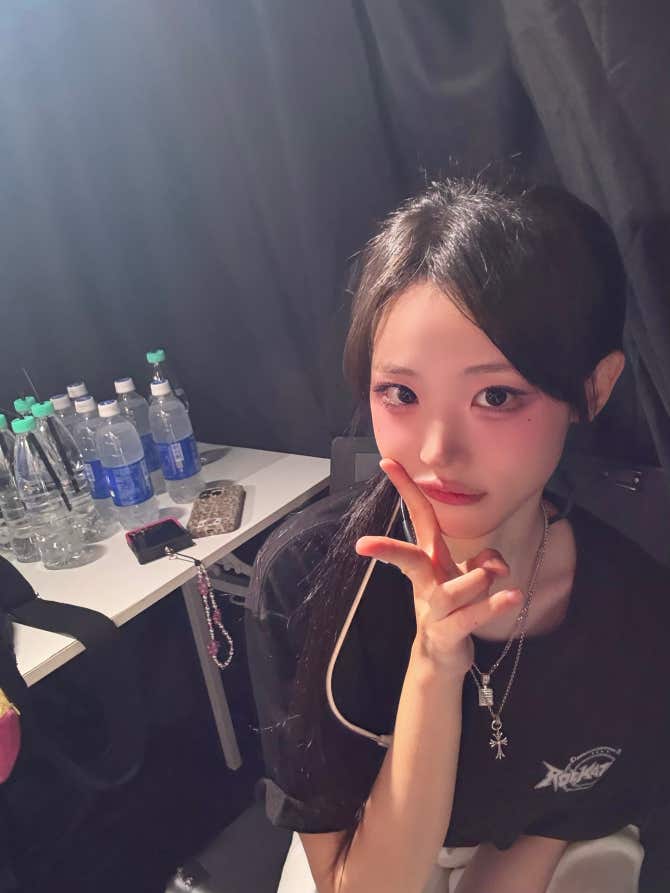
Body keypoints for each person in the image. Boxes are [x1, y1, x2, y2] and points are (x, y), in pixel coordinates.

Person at [245, 179, 670, 893]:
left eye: (496, 396)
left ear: (593, 390)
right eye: (401, 393)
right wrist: (436, 663)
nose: (437, 451)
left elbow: (576, 806)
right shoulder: (306, 583)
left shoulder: (637, 596)